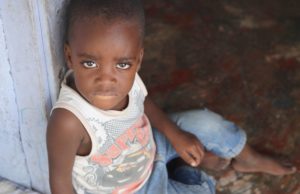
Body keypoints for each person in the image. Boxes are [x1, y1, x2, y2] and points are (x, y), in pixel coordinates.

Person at [46, 0, 297, 193]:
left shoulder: (127, 77)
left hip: (151, 145)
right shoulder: (68, 121)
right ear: (70, 57)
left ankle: (245, 156)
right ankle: (189, 170)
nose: (106, 78)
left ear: (138, 60)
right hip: (134, 189)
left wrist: (175, 135)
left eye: (122, 64)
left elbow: (142, 102)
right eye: (90, 63)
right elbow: (60, 185)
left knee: (205, 124)